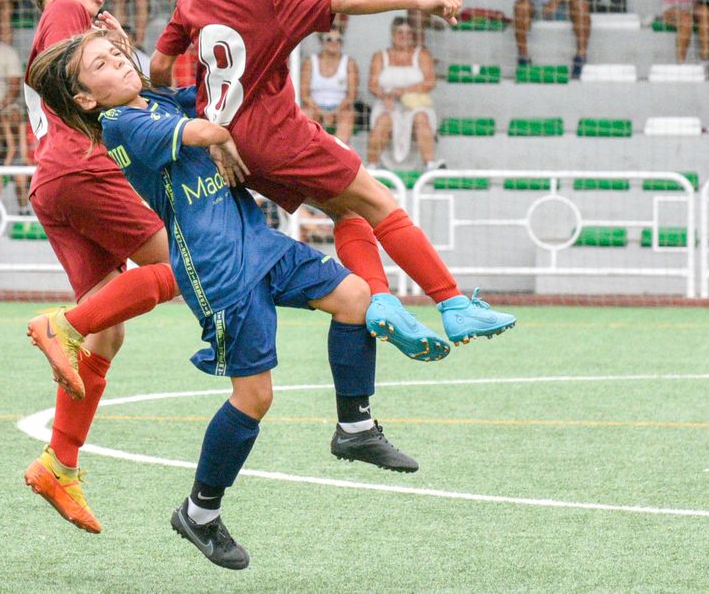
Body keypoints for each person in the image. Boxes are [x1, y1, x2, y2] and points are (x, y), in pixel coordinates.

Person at [28, 29, 424, 570]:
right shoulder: (121, 125)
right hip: (216, 270)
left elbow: (225, 97)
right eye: (101, 63)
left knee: (356, 298)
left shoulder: (155, 98)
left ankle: (354, 428)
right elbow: (197, 129)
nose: (118, 60)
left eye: (117, 52)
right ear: (86, 100)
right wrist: (217, 132)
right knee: (255, 397)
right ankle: (200, 513)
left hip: (258, 242)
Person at [150, 0, 514, 349]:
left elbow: (160, 68)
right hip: (279, 137)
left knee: (347, 210)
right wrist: (421, 1)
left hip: (229, 147)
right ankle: (453, 304)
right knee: (381, 203)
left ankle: (380, 299)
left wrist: (206, 111)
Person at [16, 0, 181, 536]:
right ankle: (58, 324)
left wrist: (114, 47)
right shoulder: (62, 12)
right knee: (185, 264)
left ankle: (58, 465)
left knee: (107, 338)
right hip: (81, 168)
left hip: (53, 181)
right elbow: (80, 89)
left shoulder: (69, 28)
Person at [366, 17, 441, 169]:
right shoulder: (380, 56)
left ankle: (430, 165)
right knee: (383, 120)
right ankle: (372, 166)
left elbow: (430, 81)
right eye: (400, 32)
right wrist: (385, 96)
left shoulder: (422, 54)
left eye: (408, 32)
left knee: (421, 117)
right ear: (392, 34)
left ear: (413, 35)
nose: (404, 36)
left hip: (416, 103)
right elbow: (372, 84)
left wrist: (403, 92)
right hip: (387, 103)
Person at [299, 27, 358, 144]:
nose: (334, 43)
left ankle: (337, 152)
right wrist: (321, 112)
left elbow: (351, 96)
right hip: (314, 105)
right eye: (329, 39)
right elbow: (304, 94)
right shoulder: (310, 62)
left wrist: (334, 112)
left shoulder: (349, 63)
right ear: (321, 41)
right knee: (305, 114)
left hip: (340, 106)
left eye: (338, 40)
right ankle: (309, 152)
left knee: (348, 115)